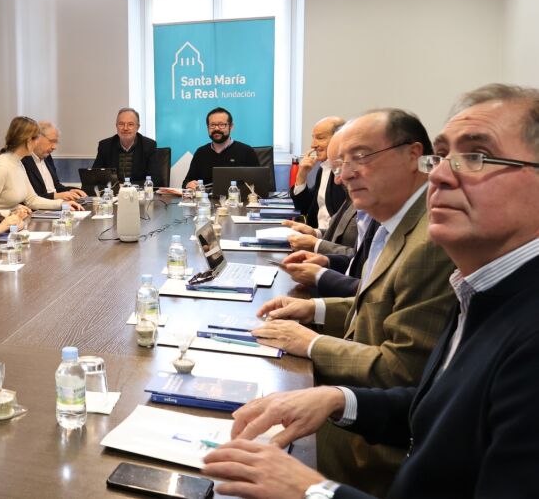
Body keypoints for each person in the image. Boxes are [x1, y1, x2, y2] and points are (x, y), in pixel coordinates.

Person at [202, 83, 539, 499]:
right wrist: (338, 400)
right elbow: (433, 409)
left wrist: (313, 491)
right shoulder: (479, 286)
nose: (440, 175)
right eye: (441, 157)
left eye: (476, 157)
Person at [250, 109, 457, 495]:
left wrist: (311, 343)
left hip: (373, 448)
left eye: (359, 158)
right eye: (341, 163)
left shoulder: (430, 240)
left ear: (413, 155)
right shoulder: (397, 222)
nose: (344, 175)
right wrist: (314, 308)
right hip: (352, 406)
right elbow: (376, 303)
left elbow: (401, 371)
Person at [0, 117, 83, 214]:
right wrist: (10, 213)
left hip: (15, 222)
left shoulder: (18, 163)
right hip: (0, 224)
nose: (37, 142)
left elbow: (31, 200)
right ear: (28, 140)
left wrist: (62, 204)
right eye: (37, 138)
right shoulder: (0, 167)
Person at [290, 117, 348, 230]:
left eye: (320, 138)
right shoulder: (324, 168)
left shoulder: (346, 173)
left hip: (330, 238)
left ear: (339, 139)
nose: (313, 145)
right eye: (313, 138)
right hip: (317, 234)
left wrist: (317, 236)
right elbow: (304, 207)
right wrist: (301, 176)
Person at [184, 107, 261, 188]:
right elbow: (187, 181)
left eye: (221, 125)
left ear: (231, 126)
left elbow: (259, 184)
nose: (216, 128)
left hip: (236, 196)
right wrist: (188, 184)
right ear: (207, 127)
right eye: (212, 125)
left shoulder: (247, 151)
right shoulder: (201, 153)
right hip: (206, 196)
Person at [22, 121, 86, 201]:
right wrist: (56, 196)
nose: (54, 147)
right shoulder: (23, 160)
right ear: (37, 137)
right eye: (51, 141)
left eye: (56, 142)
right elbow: (30, 199)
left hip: (57, 205)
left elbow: (56, 187)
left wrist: (70, 190)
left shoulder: (47, 157)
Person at [93, 107, 159, 185]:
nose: (125, 128)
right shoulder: (105, 146)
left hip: (139, 192)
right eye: (121, 124)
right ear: (116, 126)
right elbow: (95, 177)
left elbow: (155, 180)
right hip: (113, 192)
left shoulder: (149, 146)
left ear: (137, 127)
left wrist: (126, 187)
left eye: (130, 124)